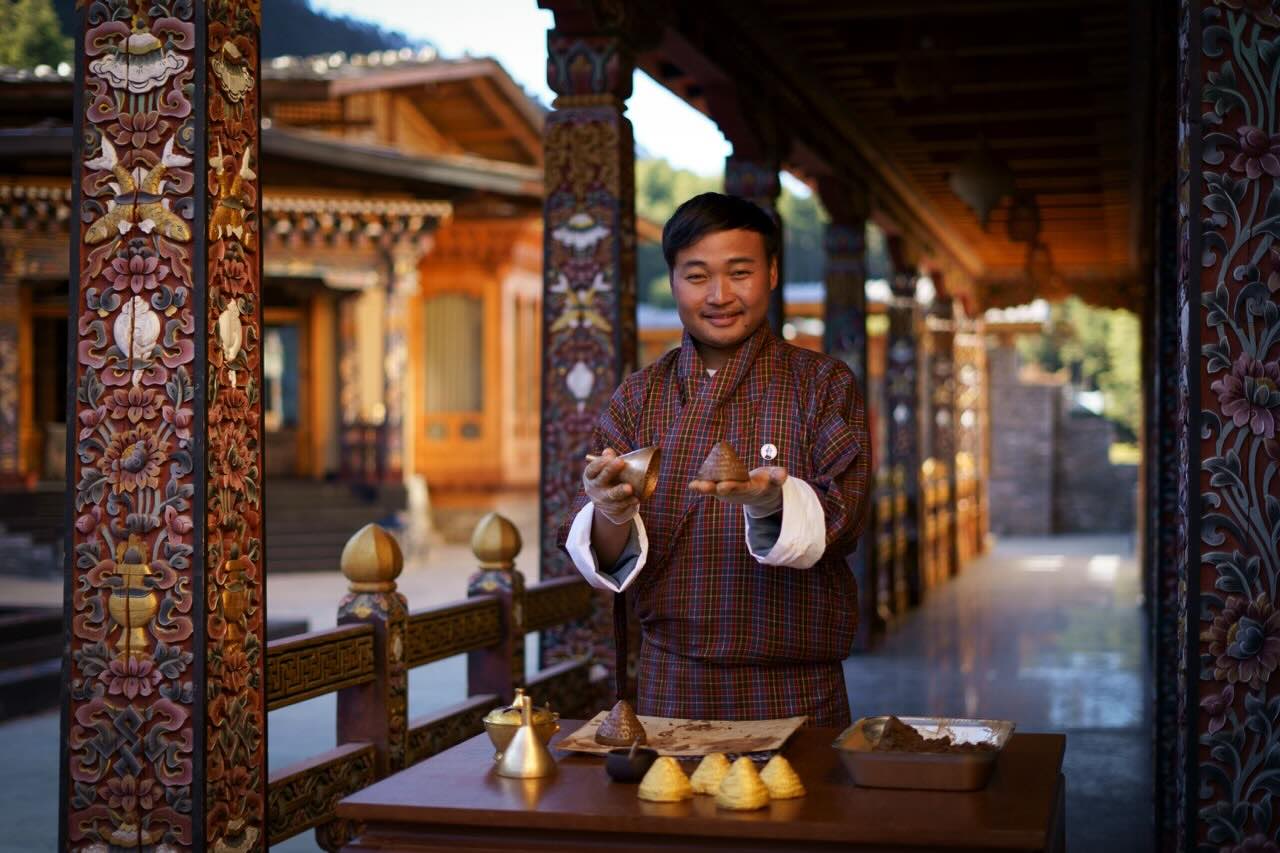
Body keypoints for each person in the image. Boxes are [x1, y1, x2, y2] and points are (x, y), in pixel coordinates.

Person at [559, 192, 869, 727]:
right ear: (674, 281)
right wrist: (608, 511)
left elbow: (845, 520)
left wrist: (772, 502)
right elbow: (607, 559)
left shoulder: (823, 384)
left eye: (740, 272)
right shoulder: (639, 395)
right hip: (671, 678)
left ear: (771, 273)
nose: (720, 295)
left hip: (795, 682)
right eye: (697, 276)